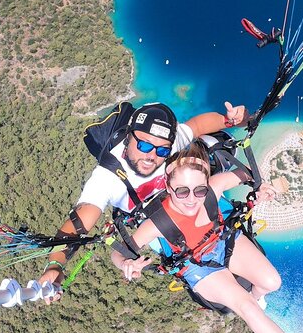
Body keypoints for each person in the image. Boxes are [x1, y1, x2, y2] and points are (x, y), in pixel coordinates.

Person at [111, 141, 303, 333]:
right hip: (195, 264)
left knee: (272, 282)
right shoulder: (157, 224)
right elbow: (118, 252)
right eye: (182, 191)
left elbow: (244, 174)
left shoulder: (213, 187)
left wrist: (260, 187)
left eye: (199, 190)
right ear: (169, 187)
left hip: (222, 240)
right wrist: (126, 263)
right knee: (247, 308)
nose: (192, 200)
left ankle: (257, 296)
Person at [39, 101, 248, 302]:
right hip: (158, 223)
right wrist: (55, 265)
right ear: (128, 138)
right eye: (144, 146)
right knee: (199, 257)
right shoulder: (107, 179)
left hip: (181, 201)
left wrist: (232, 120)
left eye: (162, 151)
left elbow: (198, 126)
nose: (151, 156)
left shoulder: (164, 141)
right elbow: (78, 224)